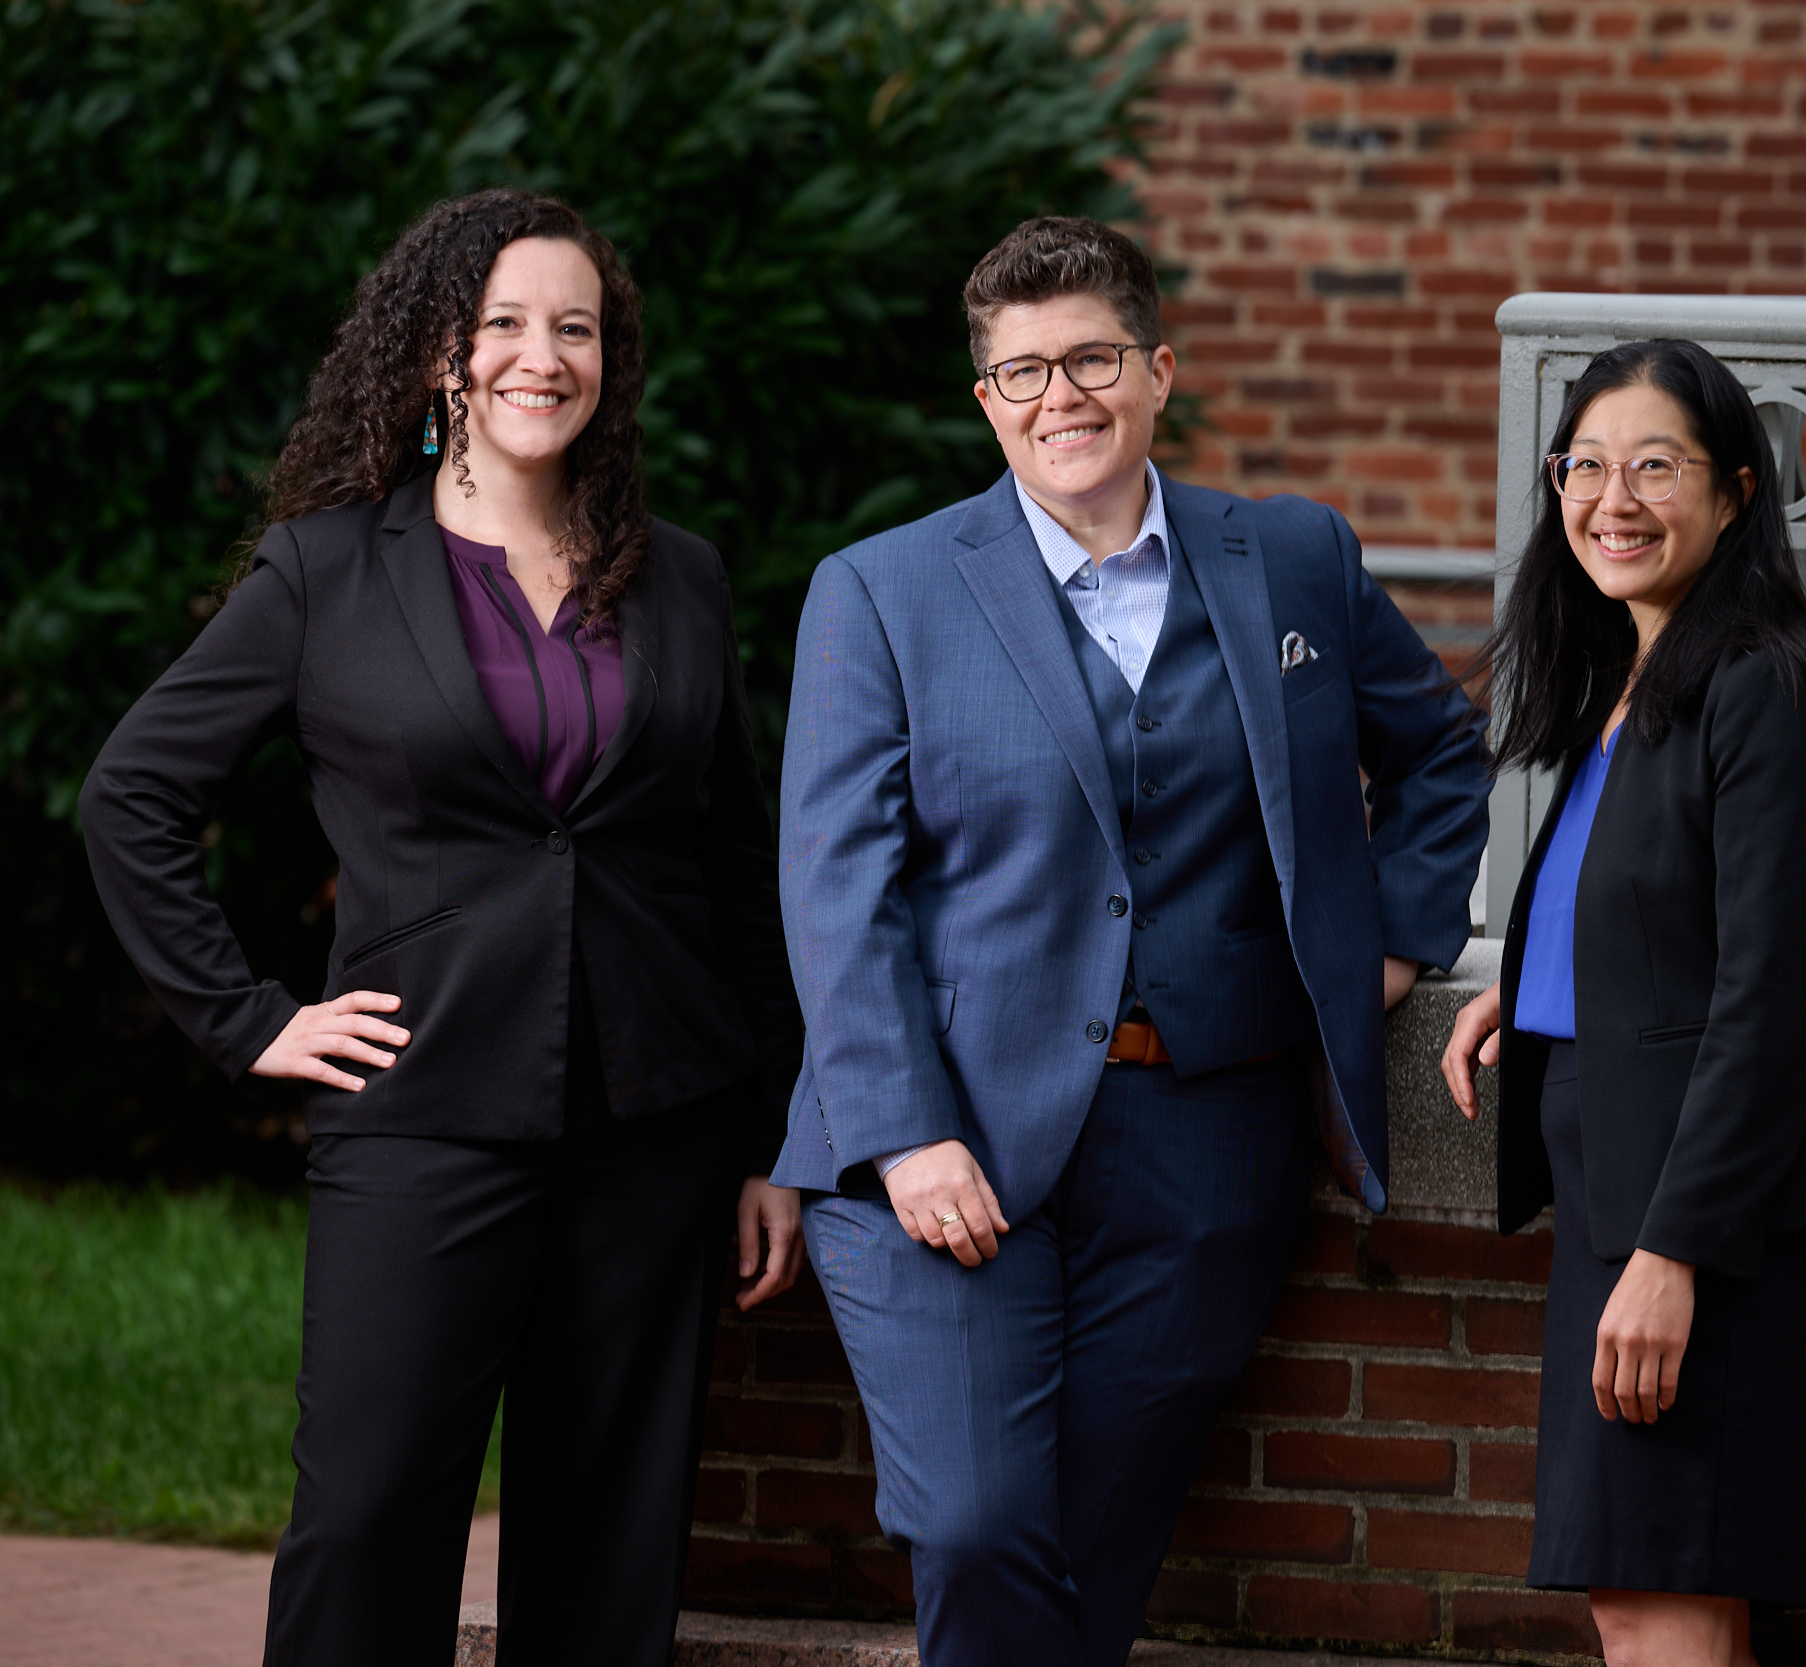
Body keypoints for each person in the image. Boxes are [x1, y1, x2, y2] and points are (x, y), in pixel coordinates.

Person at [78, 188, 804, 1667]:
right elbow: (131, 797)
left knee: (609, 1543)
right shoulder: (327, 570)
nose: (545, 356)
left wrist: (768, 1140)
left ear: (610, 361)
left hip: (656, 1124)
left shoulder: (686, 578)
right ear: (438, 356)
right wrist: (251, 1019)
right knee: (366, 1523)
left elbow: (736, 863)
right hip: (419, 1114)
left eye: (577, 328)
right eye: (507, 325)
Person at [769, 216, 1490, 1664]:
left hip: (1207, 1148)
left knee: (1099, 1543)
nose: (1061, 398)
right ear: (985, 403)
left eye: (1091, 359)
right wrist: (908, 1134)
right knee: (975, 1524)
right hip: (947, 1138)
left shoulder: (1289, 558)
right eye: (1022, 373)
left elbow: (1442, 758)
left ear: (1156, 371)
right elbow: (834, 885)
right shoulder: (884, 591)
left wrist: (1386, 945)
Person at [1439, 339, 1806, 1667]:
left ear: (1737, 494)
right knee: (1634, 1590)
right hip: (1622, 1183)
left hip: (1708, 1223)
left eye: (1657, 465)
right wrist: (1527, 996)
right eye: (1586, 465)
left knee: (1669, 1597)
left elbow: (1767, 997)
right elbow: (1651, 916)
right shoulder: (1632, 679)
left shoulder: (1769, 688)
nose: (1613, 497)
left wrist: (1673, 1257)